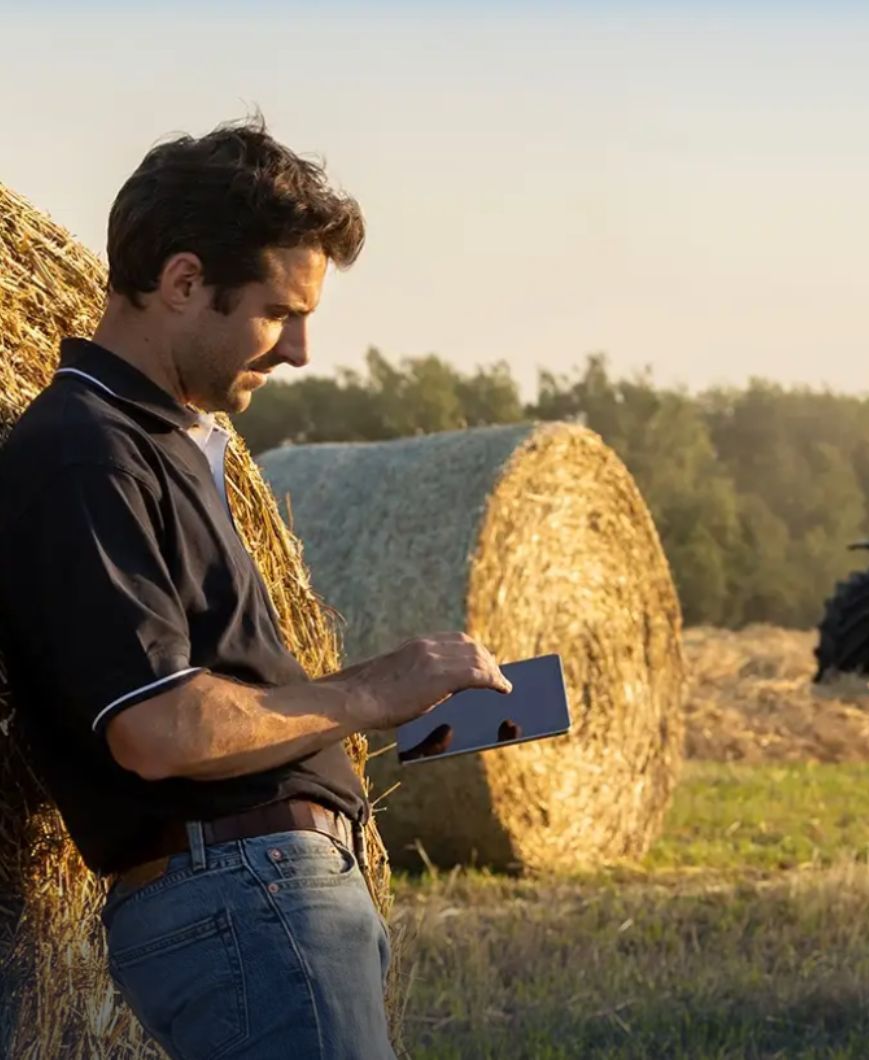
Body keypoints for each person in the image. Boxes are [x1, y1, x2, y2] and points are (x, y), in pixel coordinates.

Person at [0, 117, 511, 1059]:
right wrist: (367, 693)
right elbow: (158, 731)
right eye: (279, 312)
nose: (301, 351)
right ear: (184, 281)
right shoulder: (86, 450)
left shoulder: (164, 444)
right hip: (244, 891)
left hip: (262, 892)